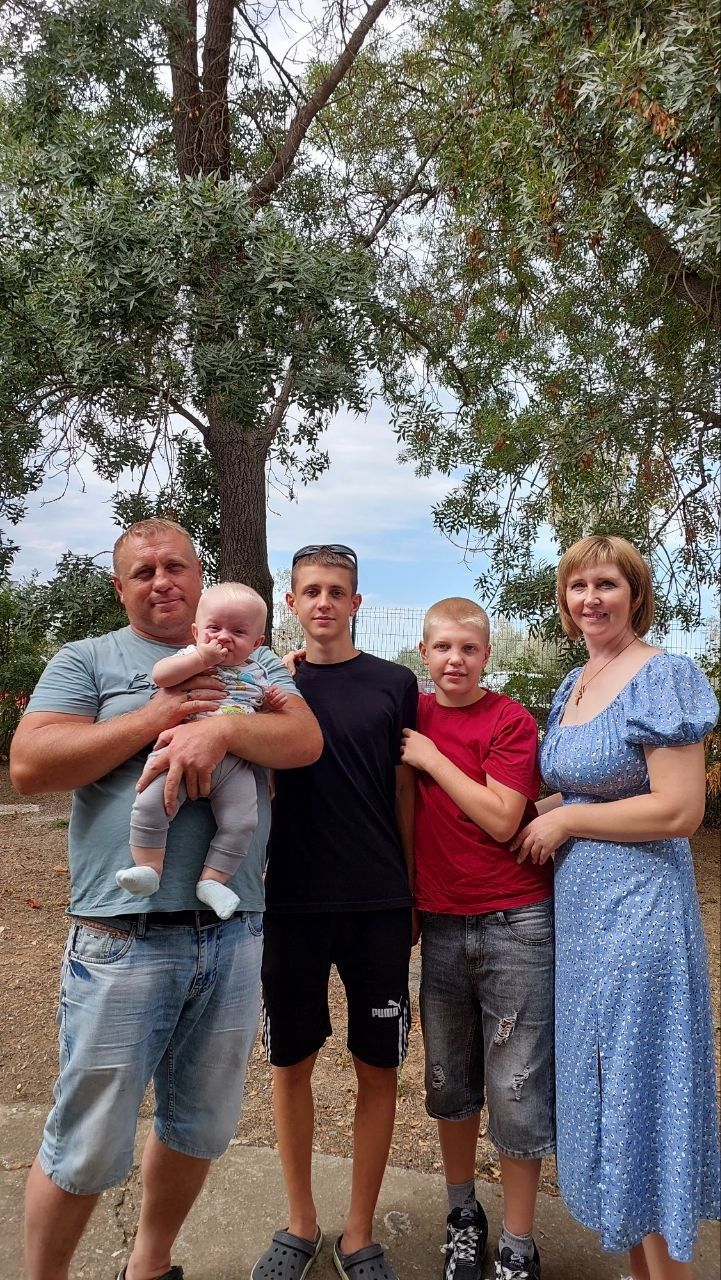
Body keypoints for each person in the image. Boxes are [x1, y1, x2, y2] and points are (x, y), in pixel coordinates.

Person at [9, 518, 322, 1280]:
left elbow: (304, 741)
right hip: (122, 938)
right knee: (86, 1143)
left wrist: (223, 734)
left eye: (174, 566)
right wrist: (156, 720)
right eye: (143, 571)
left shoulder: (254, 657)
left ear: (199, 574)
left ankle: (149, 1265)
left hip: (231, 932)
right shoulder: (88, 660)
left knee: (199, 1126)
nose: (161, 582)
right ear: (119, 587)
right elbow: (31, 765)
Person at [511, 535, 720, 1280]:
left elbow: (679, 810)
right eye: (578, 586)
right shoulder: (576, 680)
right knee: (608, 1092)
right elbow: (575, 788)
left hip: (640, 916)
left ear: (635, 594)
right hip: (581, 923)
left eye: (606, 584)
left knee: (638, 1090)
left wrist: (566, 821)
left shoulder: (663, 676)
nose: (590, 598)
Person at [251, 544, 418, 1280]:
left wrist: (411, 890)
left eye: (337, 590)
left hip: (378, 902)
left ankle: (357, 1233)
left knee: (376, 1067)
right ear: (290, 603)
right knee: (291, 1064)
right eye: (311, 590)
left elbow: (404, 790)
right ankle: (300, 1224)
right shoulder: (268, 683)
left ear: (356, 602)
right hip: (290, 901)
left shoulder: (394, 684)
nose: (324, 602)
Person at [400, 598, 553, 1280]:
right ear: (424, 653)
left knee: (516, 1088)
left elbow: (501, 818)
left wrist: (433, 759)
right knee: (448, 1082)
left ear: (487, 655)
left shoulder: (508, 720)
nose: (455, 660)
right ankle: (462, 1215)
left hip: (514, 922)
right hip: (440, 924)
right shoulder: (411, 715)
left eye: (468, 648)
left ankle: (518, 1242)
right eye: (442, 648)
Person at [117, 581, 288, 919]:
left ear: (256, 643)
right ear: (196, 632)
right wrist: (200, 658)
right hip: (178, 751)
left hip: (235, 764)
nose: (224, 637)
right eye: (214, 629)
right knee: (151, 803)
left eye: (238, 632)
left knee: (242, 822)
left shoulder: (259, 672)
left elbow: (266, 718)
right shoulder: (189, 657)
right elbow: (162, 676)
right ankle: (148, 868)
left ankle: (213, 880)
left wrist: (272, 705)